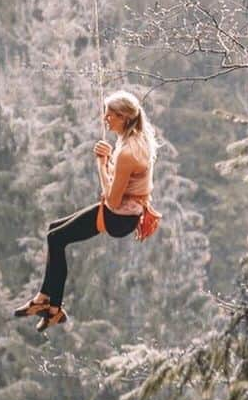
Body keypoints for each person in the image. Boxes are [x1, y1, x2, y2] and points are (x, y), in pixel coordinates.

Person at [14, 90, 159, 331]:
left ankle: (53, 308)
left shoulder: (127, 152)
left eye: (110, 115)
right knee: (54, 231)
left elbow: (112, 201)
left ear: (123, 117)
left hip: (118, 217)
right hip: (127, 213)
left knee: (56, 238)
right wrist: (110, 157)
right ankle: (46, 300)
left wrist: (101, 164)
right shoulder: (137, 139)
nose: (105, 119)